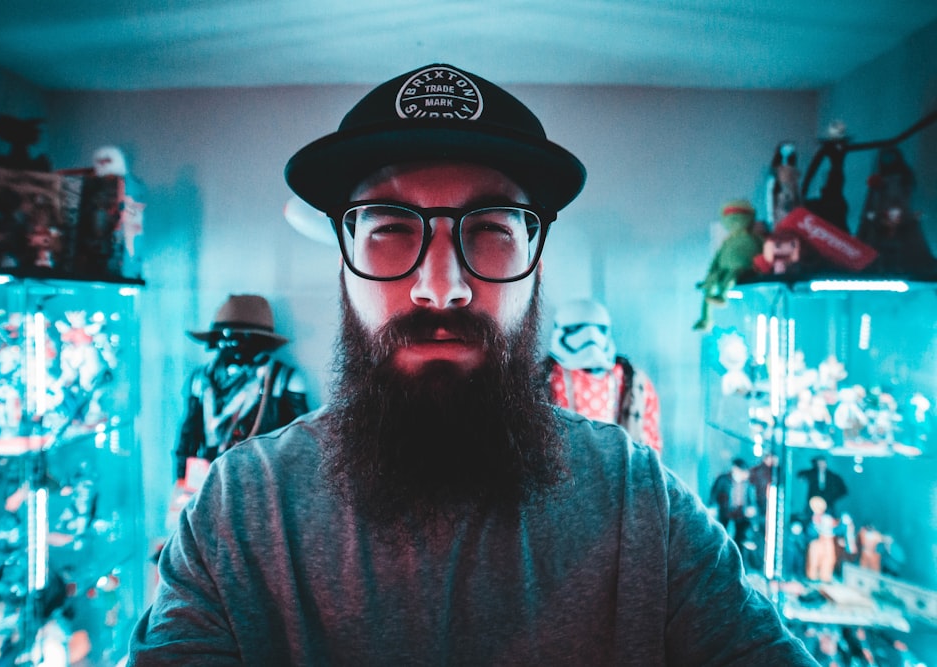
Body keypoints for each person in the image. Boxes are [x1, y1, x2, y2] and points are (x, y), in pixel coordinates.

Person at [129, 63, 817, 665]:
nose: (441, 285)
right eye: (391, 227)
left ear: (535, 262)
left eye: (489, 229)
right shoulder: (239, 512)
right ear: (345, 265)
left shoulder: (637, 501)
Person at [173, 294, 308, 491]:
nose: (233, 345)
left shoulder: (283, 380)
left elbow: (300, 442)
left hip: (260, 480)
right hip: (206, 476)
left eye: (244, 338)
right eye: (227, 336)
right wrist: (181, 483)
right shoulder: (200, 379)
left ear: (260, 341)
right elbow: (189, 435)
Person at [544, 298, 663, 453]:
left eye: (599, 329)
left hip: (621, 471)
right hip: (560, 472)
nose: (590, 337)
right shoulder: (542, 379)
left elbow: (650, 444)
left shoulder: (632, 381)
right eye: (576, 328)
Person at [707, 457, 758, 548]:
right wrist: (712, 506)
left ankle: (740, 547)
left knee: (740, 535)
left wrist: (751, 508)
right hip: (725, 511)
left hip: (741, 512)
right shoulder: (723, 480)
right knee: (722, 534)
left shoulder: (747, 484)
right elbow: (714, 494)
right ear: (736, 469)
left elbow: (751, 499)